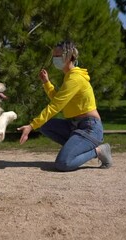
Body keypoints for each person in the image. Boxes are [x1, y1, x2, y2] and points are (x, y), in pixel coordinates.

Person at [17, 40, 112, 171]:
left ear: (70, 56)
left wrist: (32, 125)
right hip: (74, 126)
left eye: (58, 55)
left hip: (89, 128)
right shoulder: (69, 76)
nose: (55, 59)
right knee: (44, 125)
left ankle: (99, 151)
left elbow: (56, 105)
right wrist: (47, 83)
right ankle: (74, 148)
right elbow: (59, 99)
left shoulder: (75, 78)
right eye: (54, 56)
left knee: (63, 164)